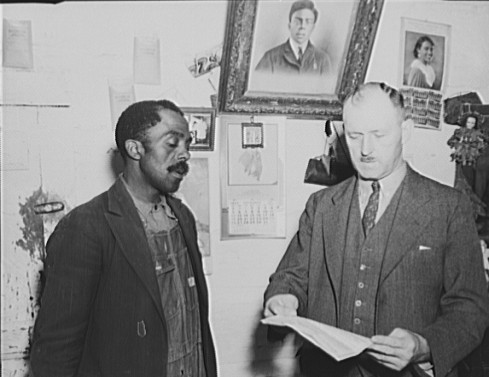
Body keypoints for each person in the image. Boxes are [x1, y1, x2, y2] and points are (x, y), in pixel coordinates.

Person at [263, 82, 489, 377]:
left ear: (405, 131)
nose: (365, 150)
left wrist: (424, 345)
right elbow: (290, 277)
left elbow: (470, 307)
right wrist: (283, 298)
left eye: (379, 135)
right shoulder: (321, 205)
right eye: (355, 136)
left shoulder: (448, 207)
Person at [30, 100, 218, 377]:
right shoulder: (84, 228)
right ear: (135, 149)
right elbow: (55, 351)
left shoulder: (183, 217)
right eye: (172, 143)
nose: (185, 154)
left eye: (187, 143)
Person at [255, 0, 331, 76]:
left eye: (308, 22)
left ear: (313, 28)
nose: (302, 26)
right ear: (289, 25)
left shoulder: (322, 60)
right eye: (297, 21)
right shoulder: (270, 57)